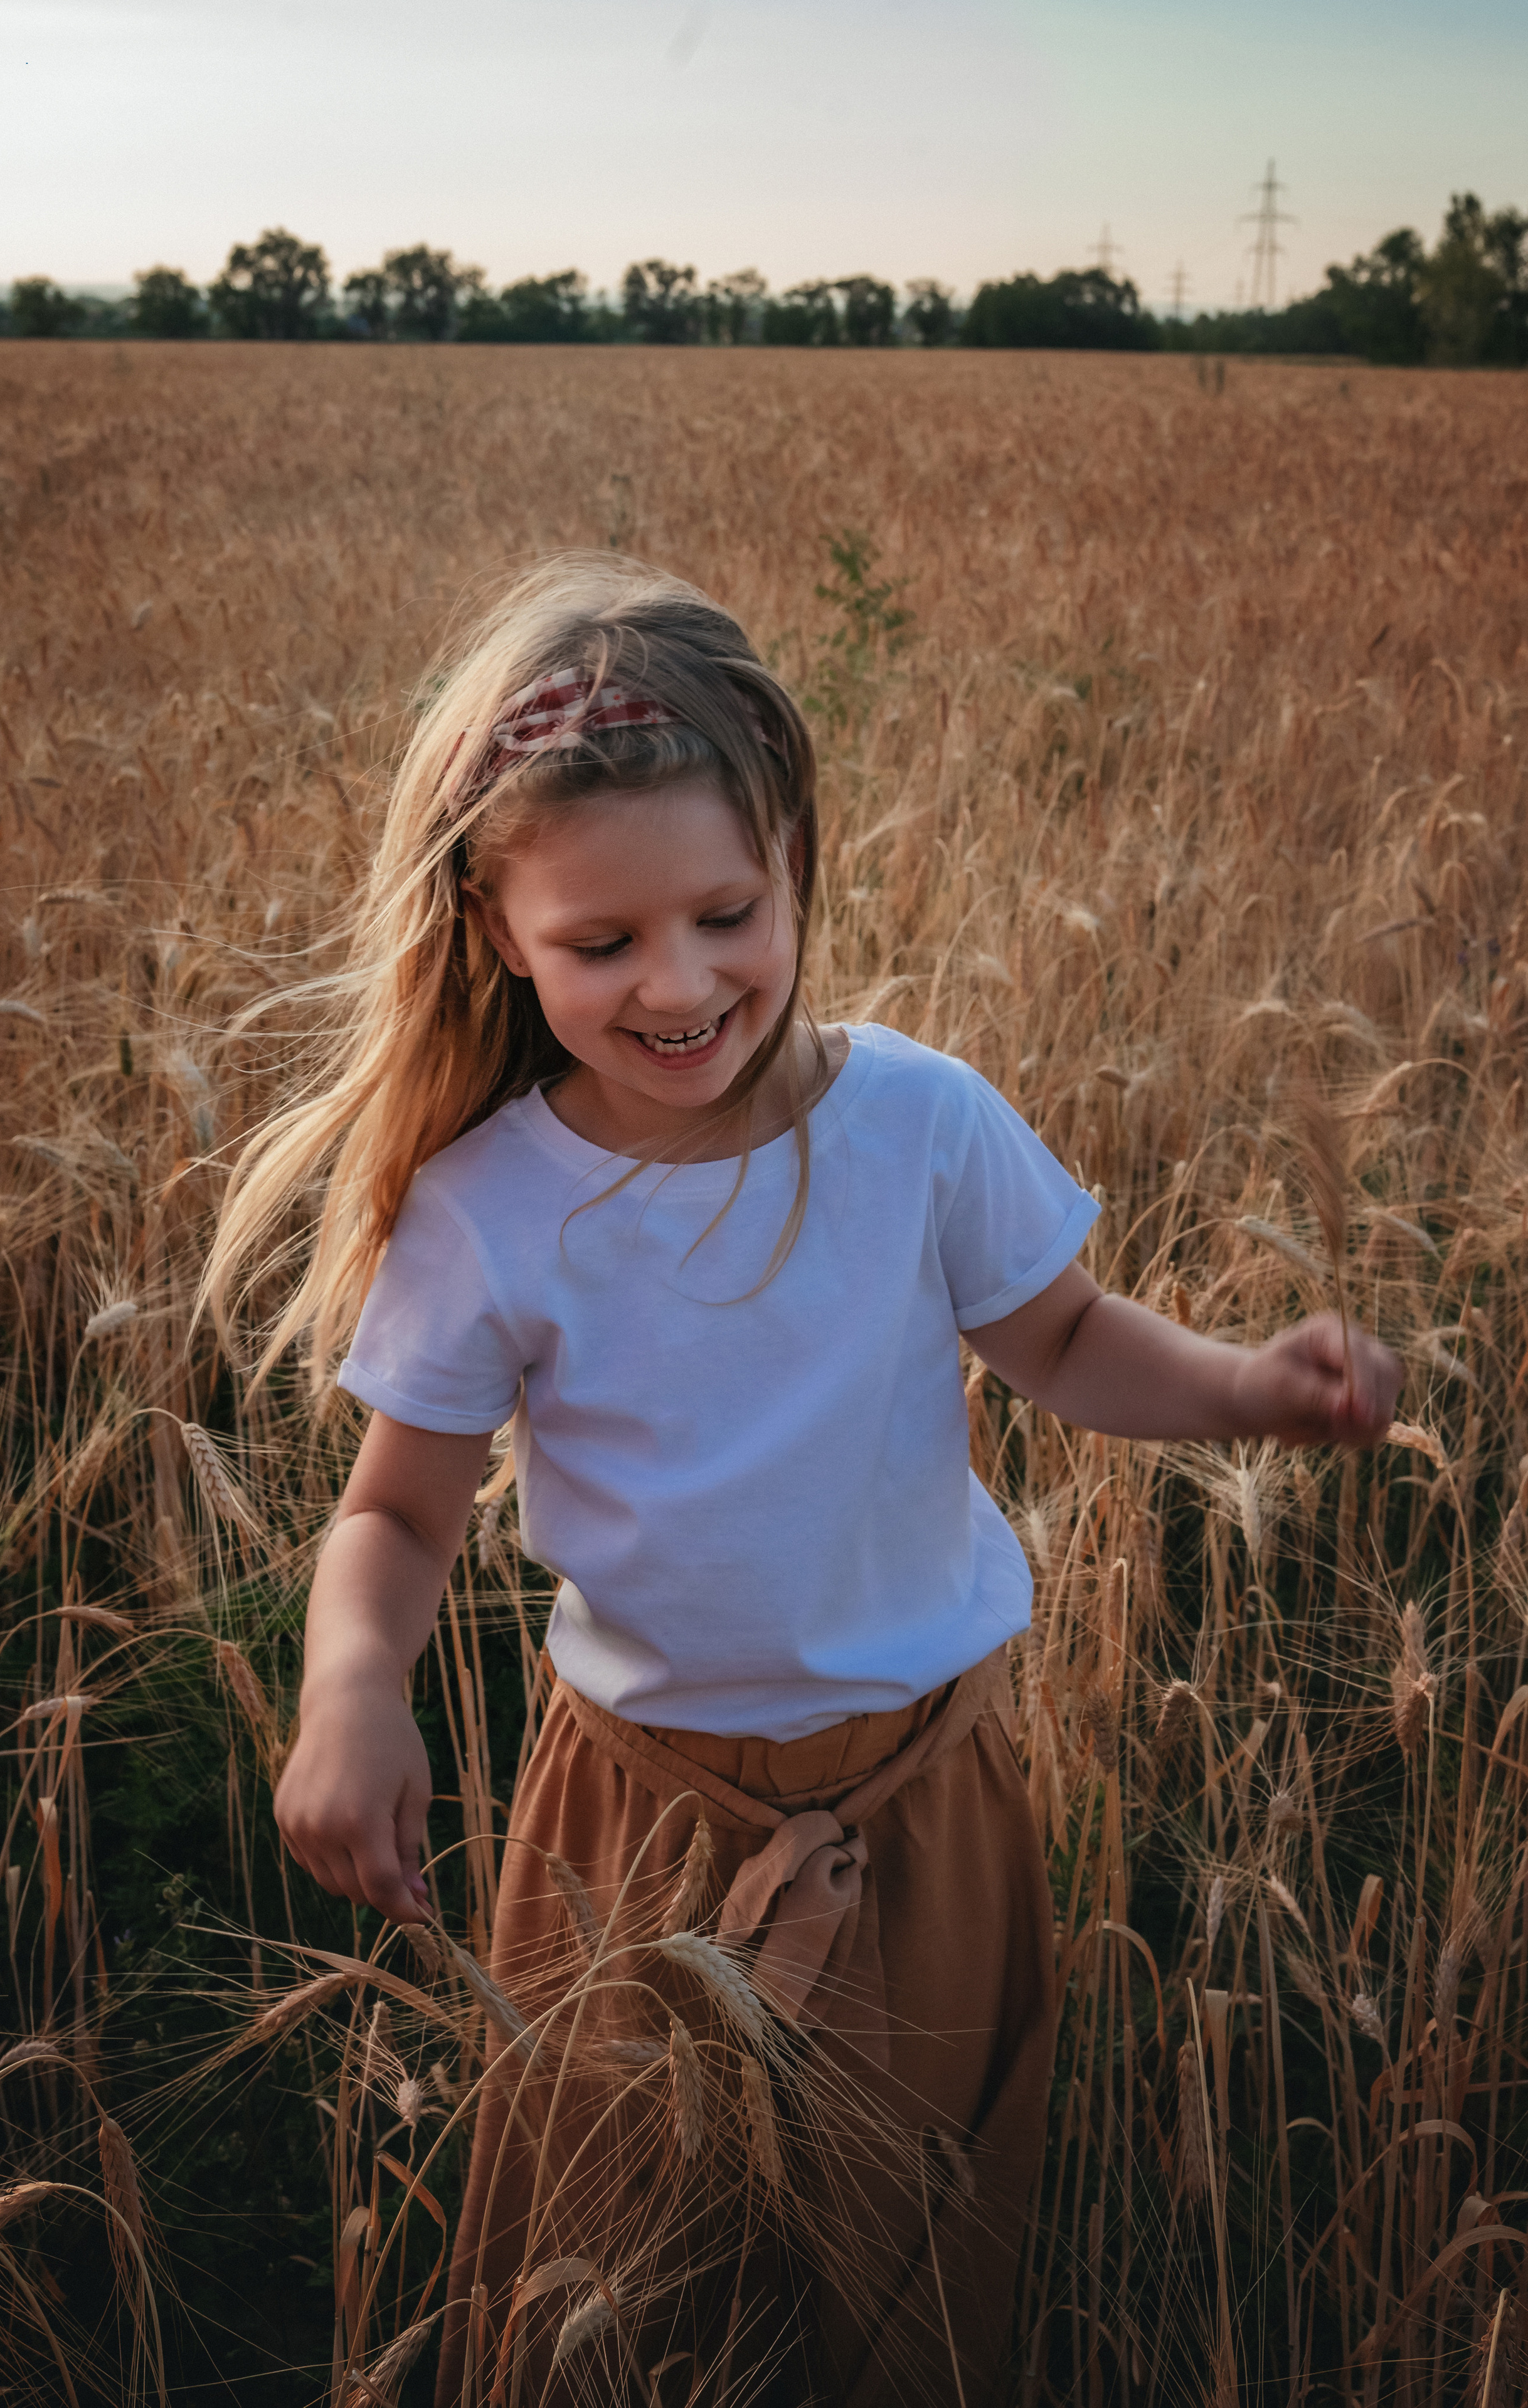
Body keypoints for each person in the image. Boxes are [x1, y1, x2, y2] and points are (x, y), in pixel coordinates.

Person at [204, 556, 1399, 2407]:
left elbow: (1067, 1340)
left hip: (926, 1802)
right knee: (626, 2267)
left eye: (727, 913)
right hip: (638, 1821)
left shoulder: (917, 1123)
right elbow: (398, 1513)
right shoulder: (489, 1210)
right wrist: (349, 1687)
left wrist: (1248, 1387)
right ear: (496, 928)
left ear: (793, 861)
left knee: (914, 2259)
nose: (681, 984)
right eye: (603, 943)